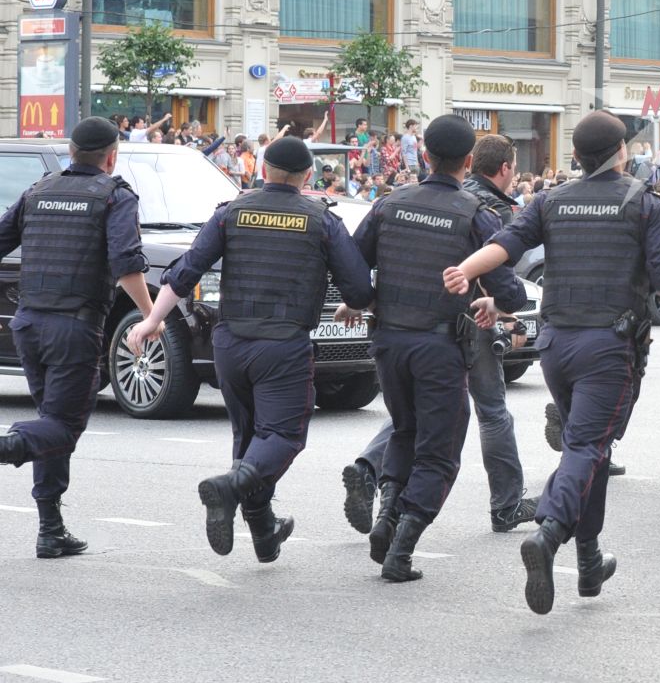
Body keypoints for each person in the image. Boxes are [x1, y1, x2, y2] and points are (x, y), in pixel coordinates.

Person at [443, 111, 660, 615]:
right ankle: (549, 535)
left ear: (577, 156)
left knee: (588, 450)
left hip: (556, 347)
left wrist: (464, 271)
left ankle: (591, 561)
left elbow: (503, 248)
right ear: (621, 152)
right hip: (608, 349)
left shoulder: (551, 200)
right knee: (587, 446)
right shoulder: (643, 203)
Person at [128, 137, 374, 563]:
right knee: (283, 436)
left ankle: (263, 532)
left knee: (250, 440)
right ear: (308, 177)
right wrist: (352, 302)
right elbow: (356, 288)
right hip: (282, 347)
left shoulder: (231, 212)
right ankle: (228, 488)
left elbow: (185, 272)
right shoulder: (321, 220)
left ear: (263, 170)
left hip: (230, 345)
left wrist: (151, 321)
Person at [343, 117, 528, 581]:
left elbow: (351, 264)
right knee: (439, 452)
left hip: (388, 343)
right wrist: (491, 301)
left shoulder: (389, 204)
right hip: (439, 347)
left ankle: (386, 520)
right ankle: (402, 547)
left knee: (404, 432)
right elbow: (510, 293)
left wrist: (360, 302)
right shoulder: (476, 215)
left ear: (424, 155)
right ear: (469, 162)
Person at [0, 117, 151, 559]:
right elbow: (126, 261)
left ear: (70, 151)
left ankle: (51, 530)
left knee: (51, 422)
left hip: (28, 324)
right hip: (74, 328)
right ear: (112, 155)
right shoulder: (114, 195)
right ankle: (6, 448)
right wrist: (149, 315)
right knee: (62, 427)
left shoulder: (38, 191)